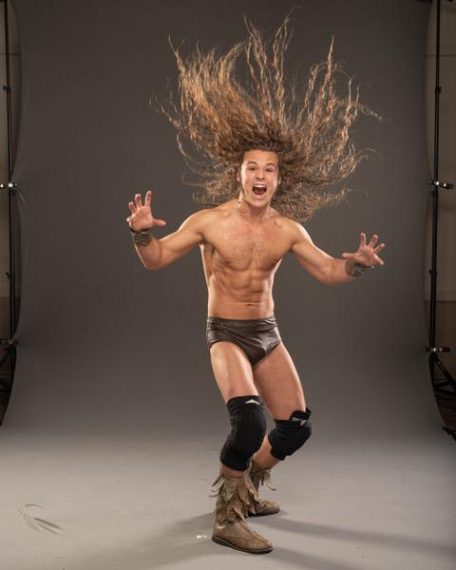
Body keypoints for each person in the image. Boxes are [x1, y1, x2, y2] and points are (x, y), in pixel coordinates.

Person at [127, 18, 385, 554]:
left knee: (296, 427)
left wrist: (357, 265)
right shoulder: (209, 221)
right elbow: (156, 260)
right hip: (225, 332)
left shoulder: (288, 229)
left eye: (269, 169)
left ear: (278, 178)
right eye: (252, 168)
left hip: (266, 332)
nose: (261, 176)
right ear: (238, 174)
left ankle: (242, 490)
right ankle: (226, 519)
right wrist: (140, 234)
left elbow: (327, 271)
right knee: (248, 422)